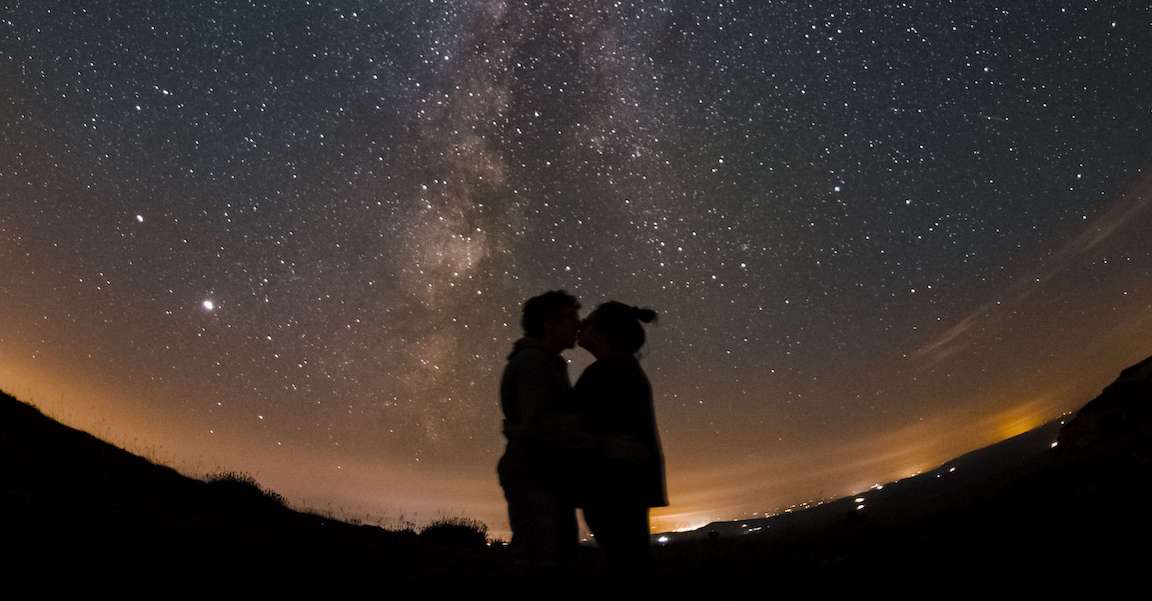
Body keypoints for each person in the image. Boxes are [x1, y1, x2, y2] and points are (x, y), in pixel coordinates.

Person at [572, 301, 667, 579]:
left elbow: (573, 428)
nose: (579, 325)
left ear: (604, 333)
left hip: (612, 489)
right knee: (632, 563)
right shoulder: (623, 368)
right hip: (627, 487)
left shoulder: (604, 372)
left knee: (626, 568)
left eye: (586, 322)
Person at [497, 290, 583, 571]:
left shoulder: (544, 361)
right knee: (543, 563)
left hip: (541, 476)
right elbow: (541, 427)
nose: (577, 324)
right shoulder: (535, 363)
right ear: (549, 324)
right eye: (571, 318)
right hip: (537, 477)